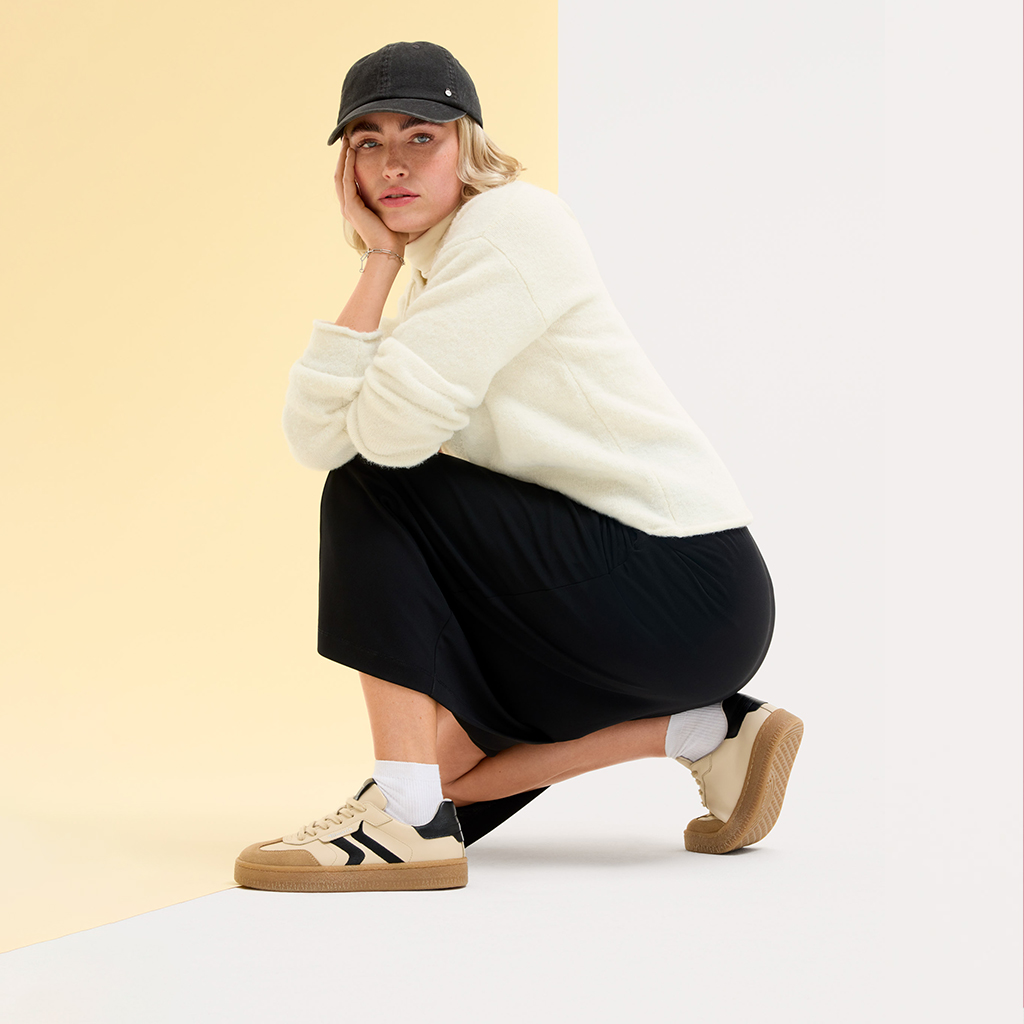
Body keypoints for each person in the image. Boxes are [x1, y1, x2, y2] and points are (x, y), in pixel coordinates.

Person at [234, 41, 803, 894]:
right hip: (601, 595)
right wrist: (379, 262)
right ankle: (705, 731)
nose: (392, 163)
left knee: (373, 487)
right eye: (366, 142)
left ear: (467, 142)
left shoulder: (509, 229)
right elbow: (317, 437)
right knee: (448, 778)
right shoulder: (431, 272)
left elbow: (378, 450)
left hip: (678, 578)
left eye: (419, 136)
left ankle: (405, 824)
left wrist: (389, 279)